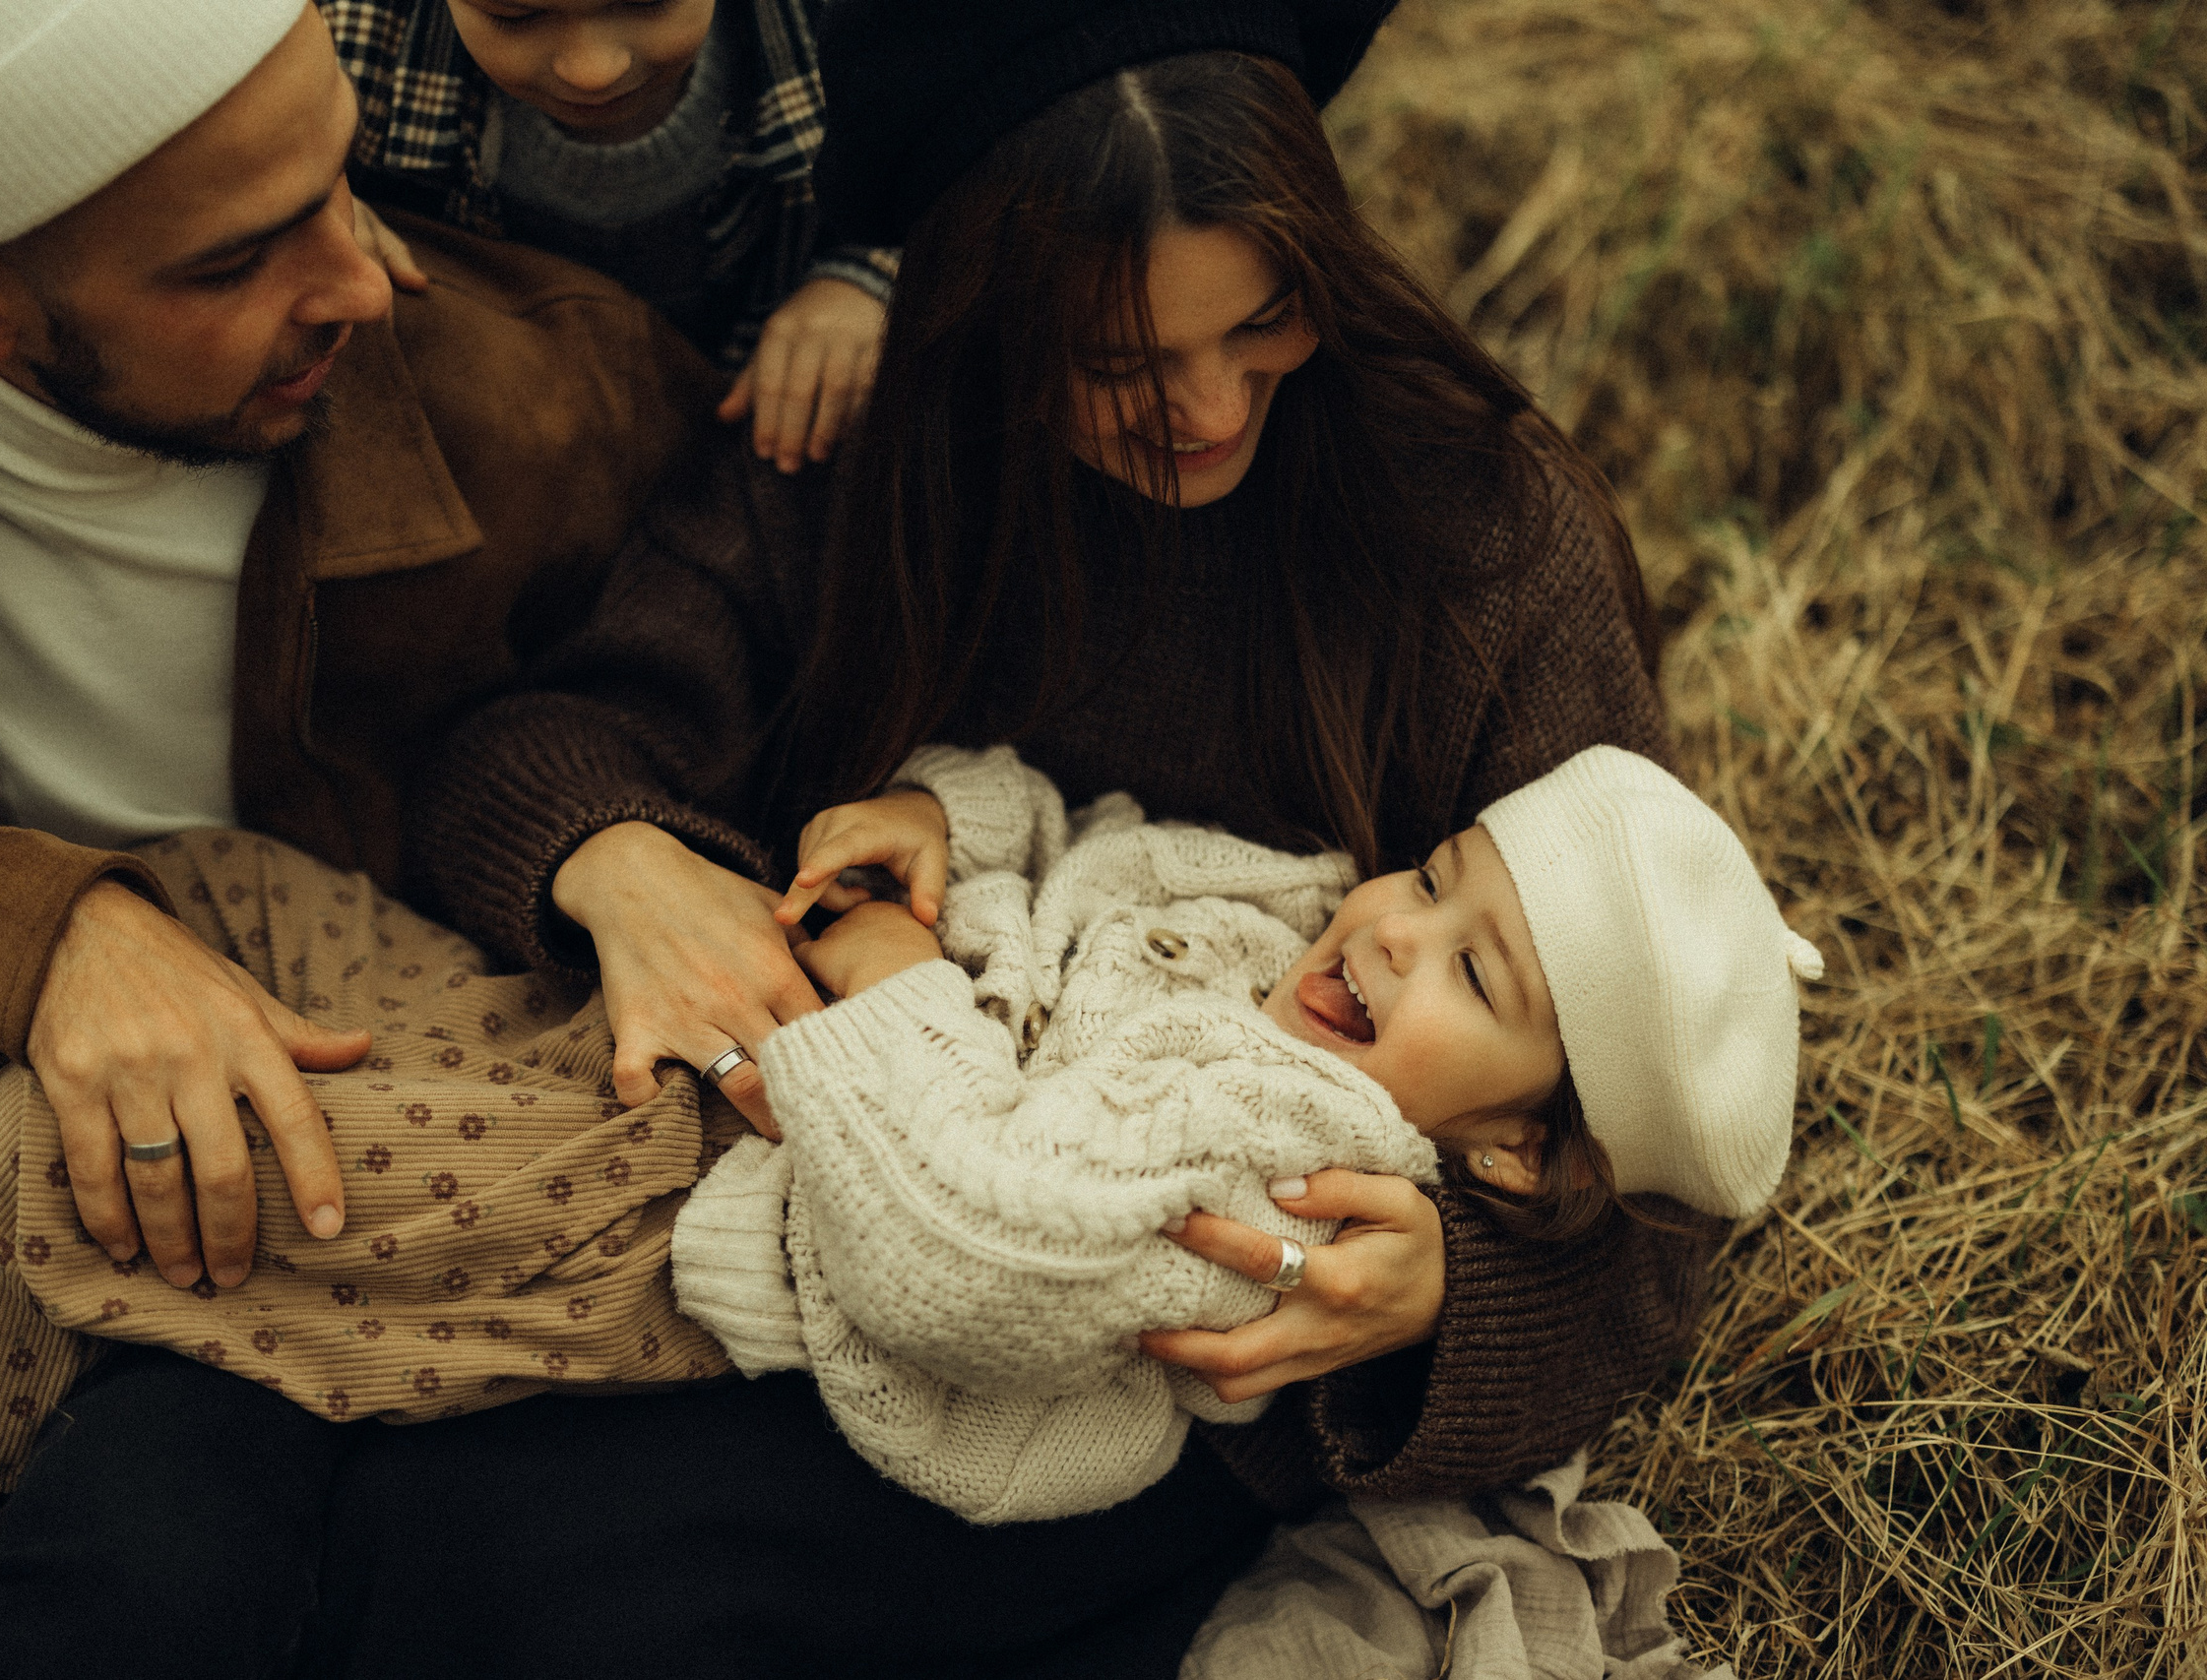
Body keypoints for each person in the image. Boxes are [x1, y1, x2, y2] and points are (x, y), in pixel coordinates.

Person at [273, 2, 1724, 1671]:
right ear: (981, 319)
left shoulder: (1479, 533)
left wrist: (1452, 1305)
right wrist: (614, 852)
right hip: (818, 1210)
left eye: (1266, 327)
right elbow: (545, 740)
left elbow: (1665, 1129)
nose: (1208, 409)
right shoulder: (867, 464)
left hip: (1171, 1373)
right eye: (1118, 365)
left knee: (551, 1582)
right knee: (387, 1528)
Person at [0, 0, 712, 1651]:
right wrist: (29, 933)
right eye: (236, 261)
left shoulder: (546, 398)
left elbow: (746, 668)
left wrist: (627, 843)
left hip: (279, 1182)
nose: (367, 282)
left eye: (342, 182)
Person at [675, 743, 1814, 1524]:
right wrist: (943, 822)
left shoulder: (1294, 1174)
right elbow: (1096, 837)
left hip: (702, 1222)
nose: (1397, 934)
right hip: (738, 1026)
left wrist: (892, 976)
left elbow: (961, 1256)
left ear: (1518, 1147)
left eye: (1473, 971)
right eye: (1428, 877)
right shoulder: (1292, 905)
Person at [324, 0, 897, 473]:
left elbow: (965, 178)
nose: (592, 70)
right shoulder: (341, 53)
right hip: (514, 463)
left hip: (768, 447)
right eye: (516, 17)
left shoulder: (855, 30)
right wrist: (318, 212)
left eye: (646, 3)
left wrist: (869, 278)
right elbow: (243, 180)